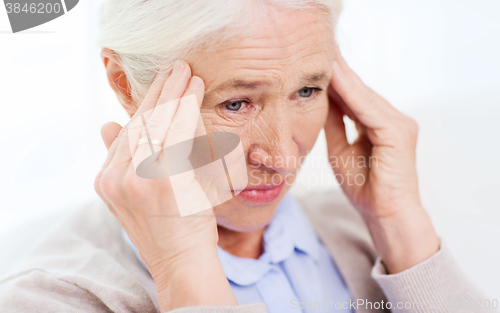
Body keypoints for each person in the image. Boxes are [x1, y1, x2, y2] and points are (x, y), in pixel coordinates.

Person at [0, 0, 494, 312]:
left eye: (307, 89)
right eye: (236, 103)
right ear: (126, 84)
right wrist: (183, 270)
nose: (282, 157)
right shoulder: (51, 299)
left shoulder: (365, 232)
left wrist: (402, 228)